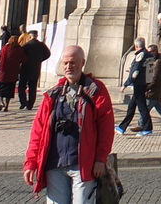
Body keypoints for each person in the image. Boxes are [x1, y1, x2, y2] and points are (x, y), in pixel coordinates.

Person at [23, 45, 115, 204]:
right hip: (55, 163)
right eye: (65, 63)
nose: (68, 67)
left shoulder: (96, 91)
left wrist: (100, 158)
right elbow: (38, 131)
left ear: (82, 63)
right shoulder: (53, 94)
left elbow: (106, 129)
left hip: (83, 164)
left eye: (73, 62)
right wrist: (31, 162)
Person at [115, 38, 149, 134]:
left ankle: (147, 128)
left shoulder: (141, 55)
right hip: (142, 83)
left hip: (139, 84)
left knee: (142, 108)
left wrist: (125, 84)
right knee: (131, 107)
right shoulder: (147, 54)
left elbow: (136, 72)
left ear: (136, 46)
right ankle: (122, 127)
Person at [0, 30, 26, 112]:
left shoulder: (5, 48)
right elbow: (23, 59)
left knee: (1, 89)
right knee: (9, 91)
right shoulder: (19, 49)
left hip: (3, 72)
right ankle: (6, 106)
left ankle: (0, 103)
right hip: (13, 73)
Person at [20, 30, 52, 110]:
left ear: (30, 36)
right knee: (32, 87)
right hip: (36, 68)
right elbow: (48, 54)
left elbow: (21, 56)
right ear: (36, 36)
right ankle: (30, 104)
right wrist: (40, 59)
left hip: (25, 68)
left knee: (22, 86)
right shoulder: (42, 45)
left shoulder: (26, 45)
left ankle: (23, 102)